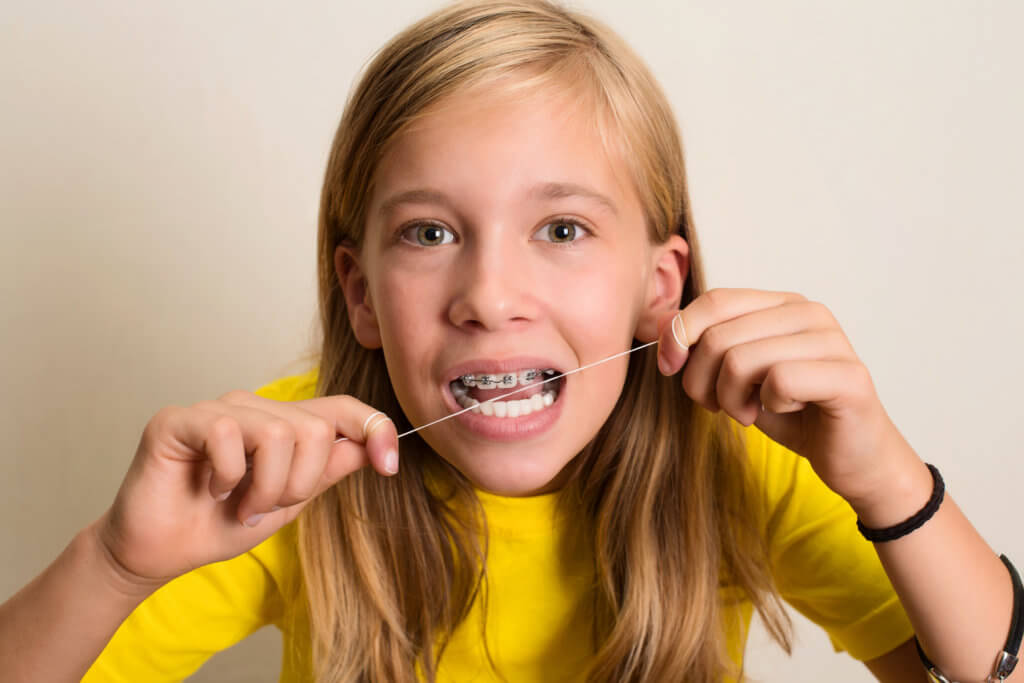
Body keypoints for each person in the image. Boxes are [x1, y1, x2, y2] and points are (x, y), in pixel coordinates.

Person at [1, 1, 1019, 681]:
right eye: (430, 232)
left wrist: (887, 477)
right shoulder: (286, 474)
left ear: (655, 289)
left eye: (562, 229)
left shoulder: (742, 458)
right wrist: (113, 563)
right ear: (359, 294)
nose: (489, 296)